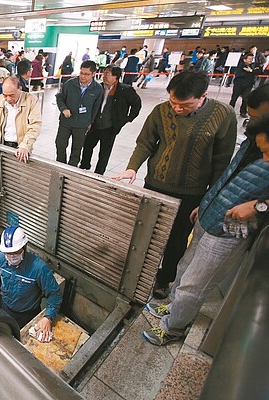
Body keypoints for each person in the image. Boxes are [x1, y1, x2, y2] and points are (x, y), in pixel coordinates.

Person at [143, 111, 269, 346]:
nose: (263, 153)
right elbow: (228, 176)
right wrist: (206, 202)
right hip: (211, 213)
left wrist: (259, 205)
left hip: (230, 230)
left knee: (194, 283)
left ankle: (173, 328)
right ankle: (171, 306)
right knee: (185, 266)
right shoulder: (253, 144)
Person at [113, 71, 237, 299]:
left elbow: (222, 162)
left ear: (203, 97)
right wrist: (132, 167)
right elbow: (145, 143)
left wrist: (211, 198)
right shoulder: (161, 111)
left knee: (177, 239)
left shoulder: (223, 115)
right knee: (146, 232)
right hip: (156, 185)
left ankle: (164, 277)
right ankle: (140, 272)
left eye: (185, 105)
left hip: (192, 192)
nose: (177, 109)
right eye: (173, 102)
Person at [0, 226, 62, 339]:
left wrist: (48, 317)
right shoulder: (0, 259)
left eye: (16, 252)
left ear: (24, 247)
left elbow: (55, 294)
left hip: (27, 316)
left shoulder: (39, 268)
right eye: (8, 253)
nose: (12, 256)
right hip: (4, 309)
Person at [80, 66, 142, 175]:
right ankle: (84, 165)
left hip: (110, 127)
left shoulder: (125, 90)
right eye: (104, 73)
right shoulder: (98, 87)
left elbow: (136, 104)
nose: (104, 76)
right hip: (94, 125)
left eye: (107, 74)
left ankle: (99, 173)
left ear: (115, 77)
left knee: (104, 152)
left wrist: (127, 119)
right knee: (87, 146)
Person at [55, 60, 103, 167]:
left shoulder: (97, 89)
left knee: (77, 149)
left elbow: (96, 107)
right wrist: (63, 109)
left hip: (82, 124)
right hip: (66, 122)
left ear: (93, 74)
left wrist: (90, 122)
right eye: (81, 73)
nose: (83, 76)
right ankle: (60, 166)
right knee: (60, 144)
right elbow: (59, 97)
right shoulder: (70, 84)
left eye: (87, 74)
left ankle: (72, 169)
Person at [229, 52, 261, 118]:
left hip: (248, 85)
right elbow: (239, 74)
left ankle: (243, 112)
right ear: (245, 59)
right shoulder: (240, 65)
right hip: (239, 84)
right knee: (234, 98)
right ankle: (229, 111)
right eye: (249, 59)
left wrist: (251, 71)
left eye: (252, 59)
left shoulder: (254, 65)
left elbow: (260, 71)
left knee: (246, 99)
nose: (251, 60)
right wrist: (251, 72)